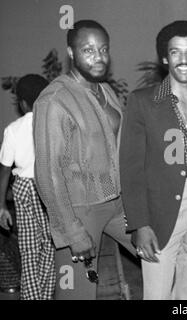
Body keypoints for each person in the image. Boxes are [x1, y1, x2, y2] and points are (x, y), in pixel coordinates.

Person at [120, 20, 187, 300]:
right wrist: (139, 224)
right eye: (176, 52)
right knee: (156, 294)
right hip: (159, 213)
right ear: (164, 57)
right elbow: (131, 168)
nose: (183, 59)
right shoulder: (143, 101)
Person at [33, 20, 135, 300]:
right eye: (88, 50)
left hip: (117, 201)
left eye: (103, 49)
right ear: (70, 52)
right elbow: (48, 172)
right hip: (80, 209)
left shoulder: (104, 90)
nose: (98, 57)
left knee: (157, 251)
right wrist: (72, 232)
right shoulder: (54, 100)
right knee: (78, 291)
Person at [0, 74, 55, 300]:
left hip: (23, 188)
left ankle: (32, 297)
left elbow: (4, 170)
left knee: (29, 248)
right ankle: (45, 294)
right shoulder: (54, 123)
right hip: (50, 188)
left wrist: (1, 205)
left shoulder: (13, 129)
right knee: (51, 246)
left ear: (22, 103)